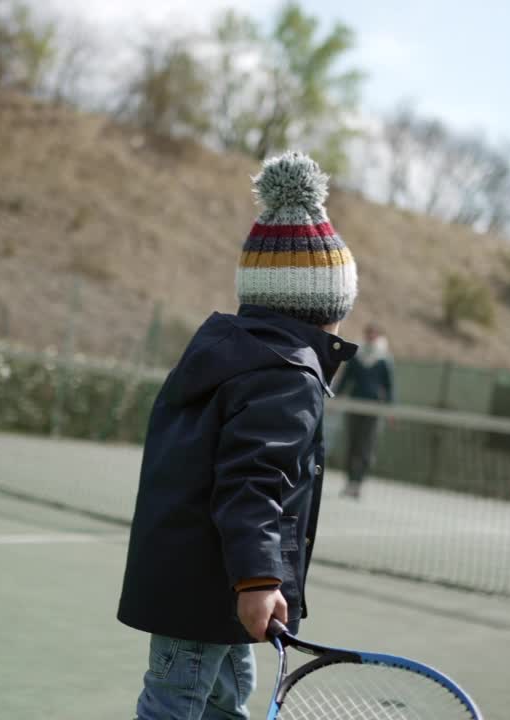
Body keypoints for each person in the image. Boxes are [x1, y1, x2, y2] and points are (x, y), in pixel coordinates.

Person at [117, 151, 358, 720]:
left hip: (193, 577)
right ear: (324, 306)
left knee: (224, 697)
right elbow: (254, 481)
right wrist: (258, 580)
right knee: (176, 703)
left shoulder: (226, 352)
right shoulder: (288, 375)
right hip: (215, 583)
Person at [333, 324, 393, 499]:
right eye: (368, 334)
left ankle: (359, 483)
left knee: (366, 447)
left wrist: (390, 410)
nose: (370, 337)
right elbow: (345, 381)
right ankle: (350, 482)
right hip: (355, 407)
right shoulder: (356, 356)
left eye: (374, 334)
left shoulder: (384, 359)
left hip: (372, 410)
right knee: (352, 444)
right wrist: (335, 399)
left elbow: (389, 387)